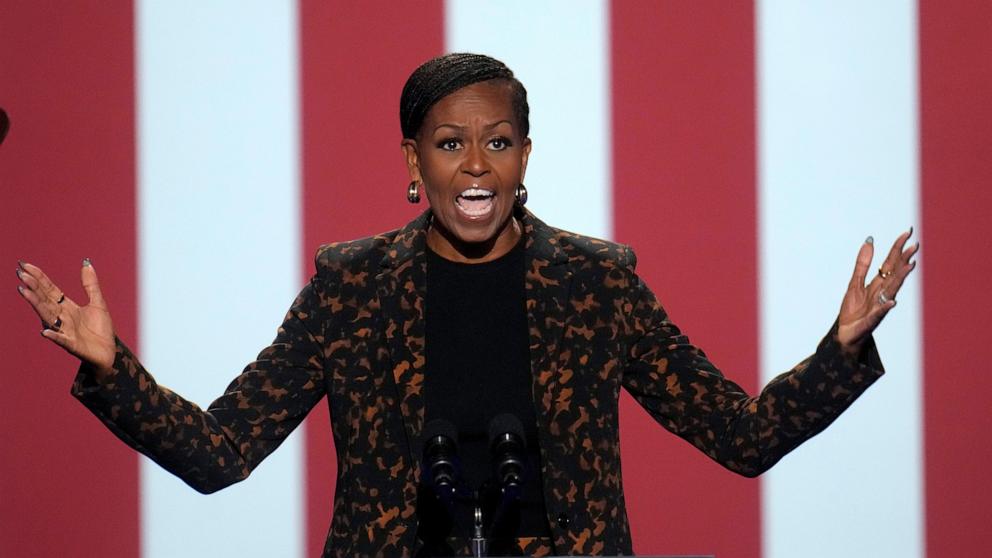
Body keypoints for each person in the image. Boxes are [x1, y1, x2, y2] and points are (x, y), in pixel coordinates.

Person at [15, 53, 918, 557]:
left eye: (498, 142)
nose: (476, 167)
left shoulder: (596, 284)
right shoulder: (352, 288)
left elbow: (742, 438)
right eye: (450, 144)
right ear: (415, 163)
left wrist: (840, 350)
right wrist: (111, 370)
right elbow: (221, 454)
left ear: (527, 156)